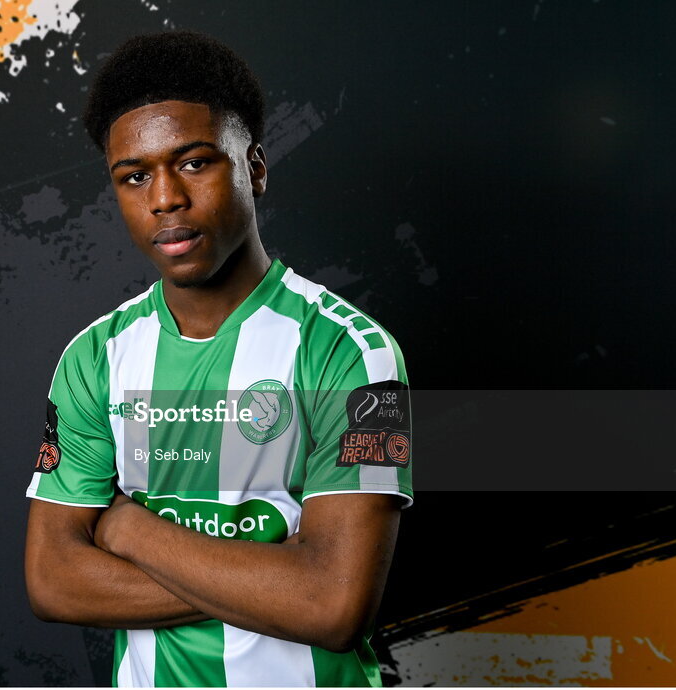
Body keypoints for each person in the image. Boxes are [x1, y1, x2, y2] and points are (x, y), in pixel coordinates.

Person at [24, 31, 412, 687]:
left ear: (254, 167)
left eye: (196, 162)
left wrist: (127, 530)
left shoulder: (354, 354)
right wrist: (275, 574)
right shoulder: (93, 358)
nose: (165, 197)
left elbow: (334, 607)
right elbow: (53, 583)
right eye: (135, 176)